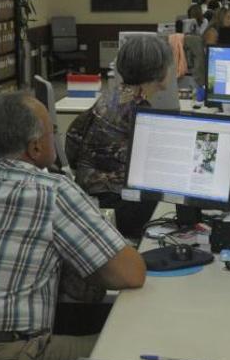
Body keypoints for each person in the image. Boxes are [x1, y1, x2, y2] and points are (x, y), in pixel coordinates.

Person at [0, 92, 146, 360]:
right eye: (52, 130)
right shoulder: (50, 189)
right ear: (36, 147)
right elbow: (130, 274)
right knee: (137, 345)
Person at [66, 35, 171, 237]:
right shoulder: (140, 113)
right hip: (119, 209)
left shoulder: (109, 98)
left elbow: (72, 143)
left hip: (88, 199)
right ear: (159, 71)